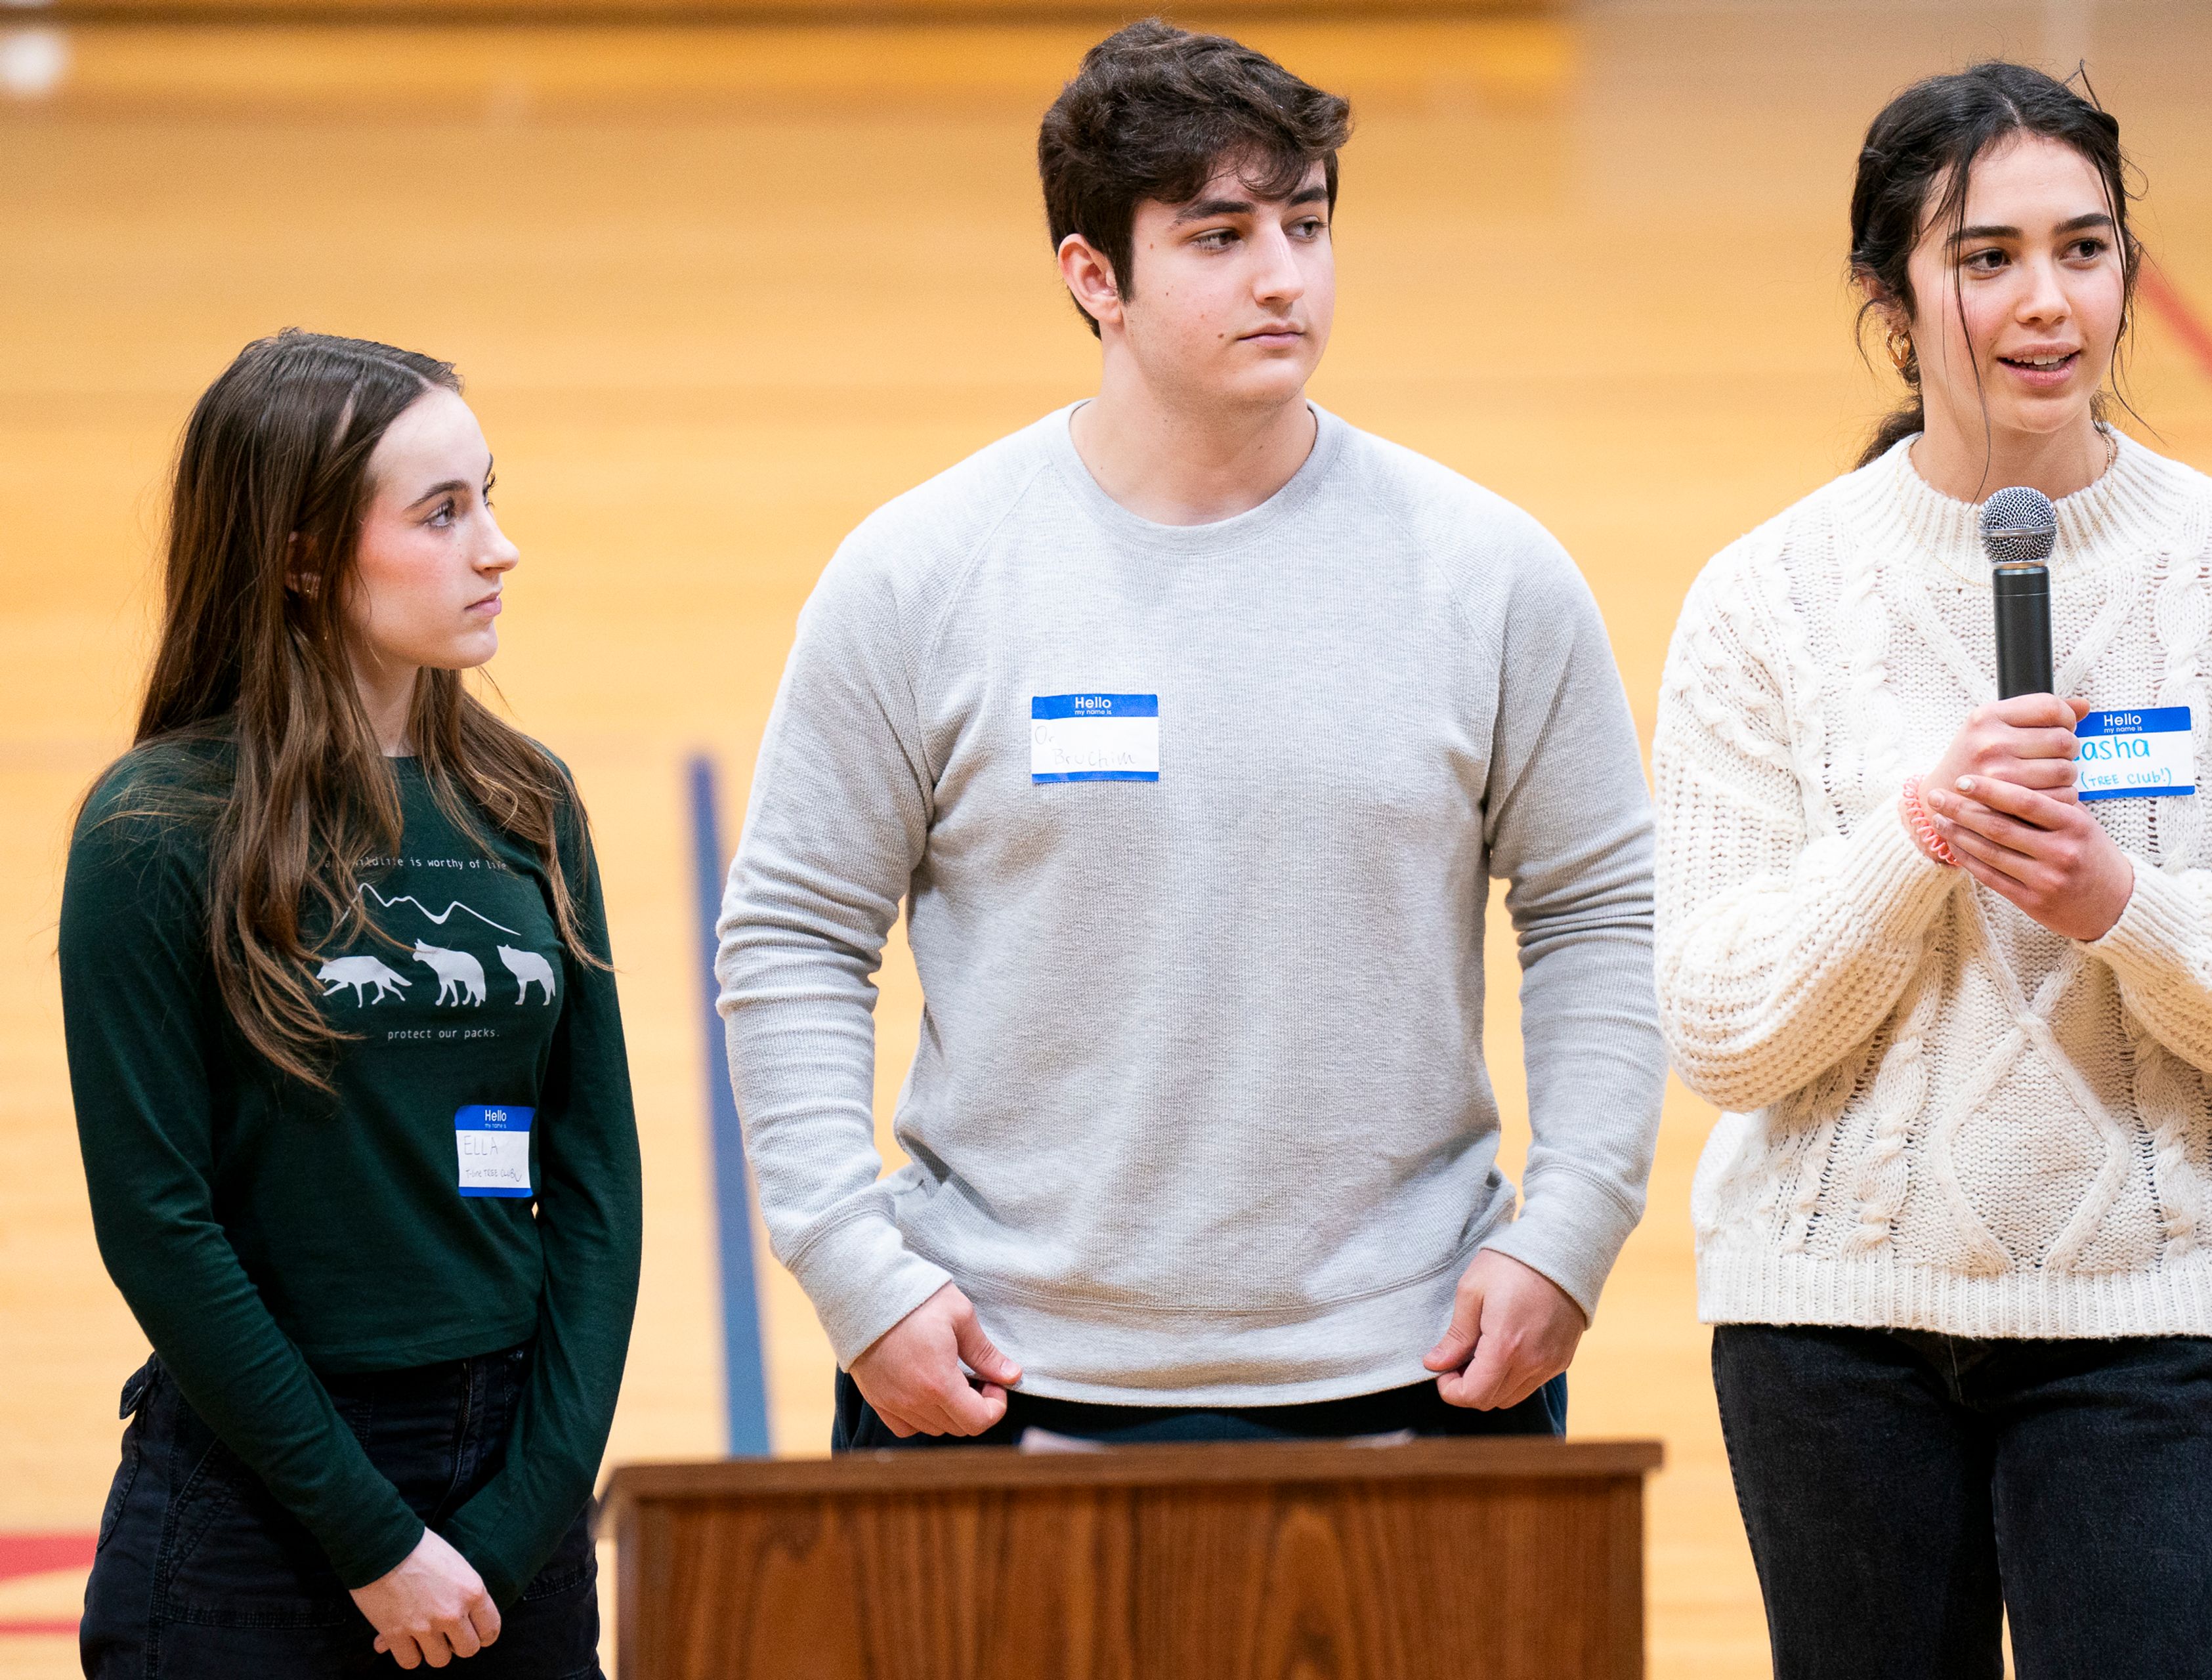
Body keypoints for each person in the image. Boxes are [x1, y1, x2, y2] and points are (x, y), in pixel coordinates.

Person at [717, 20, 1664, 1450]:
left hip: (1417, 1371)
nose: (1284, 274)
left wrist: (1572, 1227)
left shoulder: (1492, 572)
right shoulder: (919, 572)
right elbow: (791, 931)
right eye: (1219, 235)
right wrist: (856, 1272)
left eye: (1307, 223)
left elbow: (1602, 907)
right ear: (1093, 276)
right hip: (1000, 1381)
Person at [1653, 61, 2212, 1680]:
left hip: (2150, 1324)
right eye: (1984, 256)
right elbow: (1721, 1029)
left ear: (2132, 270)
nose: (2044, 301)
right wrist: (1916, 836)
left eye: (2084, 248)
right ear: (1891, 292)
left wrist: (2121, 908)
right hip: (1829, 1327)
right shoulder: (1764, 600)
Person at [65, 331, 642, 1676]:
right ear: (303, 556)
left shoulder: (529, 800)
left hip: (514, 1498)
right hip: (257, 1498)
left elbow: (598, 1177)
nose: (497, 547)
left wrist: (521, 1515)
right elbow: (159, 1222)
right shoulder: (156, 827)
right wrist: (373, 1538)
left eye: (489, 497)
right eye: (442, 514)